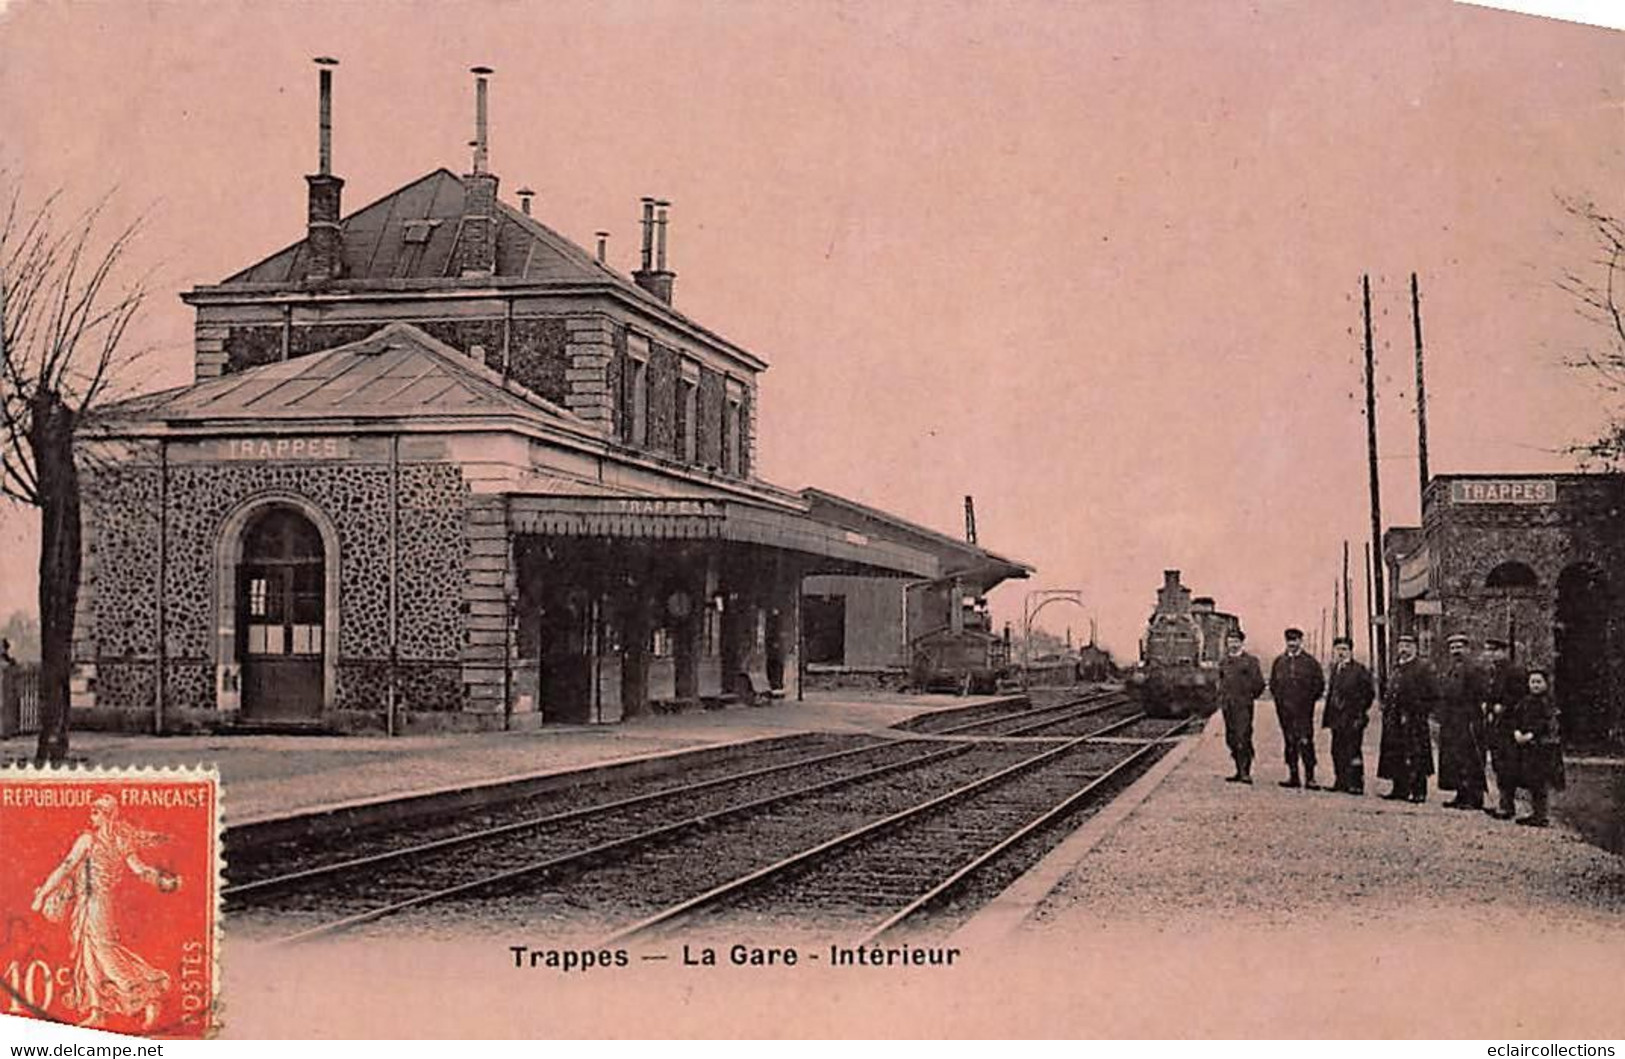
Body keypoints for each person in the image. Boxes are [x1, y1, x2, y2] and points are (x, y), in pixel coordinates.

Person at [30, 795, 180, 1029]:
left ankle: (149, 997)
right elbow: (139, 870)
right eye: (92, 811)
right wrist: (160, 881)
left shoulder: (89, 840)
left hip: (96, 903)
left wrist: (41, 895)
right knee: (88, 955)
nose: (92, 816)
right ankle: (96, 1010)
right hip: (88, 903)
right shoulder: (116, 840)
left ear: (107, 815)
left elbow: (66, 868)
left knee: (105, 954)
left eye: (96, 812)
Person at [1494, 669, 1564, 826]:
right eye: (1532, 682)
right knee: (1530, 779)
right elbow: (1516, 718)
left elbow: (1547, 724)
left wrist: (1531, 735)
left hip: (1542, 746)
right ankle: (1532, 812)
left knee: (1540, 781)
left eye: (1539, 682)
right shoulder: (1525, 702)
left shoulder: (1548, 703)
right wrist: (1517, 732)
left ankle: (1541, 815)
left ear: (1546, 684)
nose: (1535, 685)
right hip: (1527, 746)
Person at [1379, 634, 1438, 802]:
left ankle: (1419, 791)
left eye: (1408, 645)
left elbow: (1433, 694)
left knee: (1416, 754)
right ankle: (1399, 788)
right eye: (1401, 645)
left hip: (1414, 720)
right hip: (1394, 718)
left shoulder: (1423, 667)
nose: (1404, 649)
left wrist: (1419, 712)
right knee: (1396, 752)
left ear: (1415, 648)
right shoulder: (1397, 667)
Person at [1436, 632, 1488, 810]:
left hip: (1468, 719)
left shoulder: (1474, 669)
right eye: (1452, 647)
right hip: (1452, 719)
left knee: (1470, 757)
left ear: (1467, 648)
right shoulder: (1451, 669)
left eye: (1459, 647)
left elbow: (1480, 694)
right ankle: (1461, 794)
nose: (1455, 651)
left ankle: (1474, 797)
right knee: (1455, 758)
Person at [1269, 627, 1325, 789]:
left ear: (1301, 641)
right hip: (1285, 711)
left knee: (1306, 741)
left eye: (1295, 641)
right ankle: (1293, 776)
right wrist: (1280, 701)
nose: (1292, 644)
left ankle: (1310, 777)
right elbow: (1274, 685)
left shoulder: (1310, 662)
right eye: (1289, 641)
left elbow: (1319, 685)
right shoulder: (1279, 662)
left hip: (1304, 711)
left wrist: (1308, 702)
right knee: (1289, 741)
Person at [1321, 635, 1375, 794]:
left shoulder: (1359, 670)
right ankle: (1340, 781)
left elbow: (1369, 693)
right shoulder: (1335, 669)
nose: (1341, 653)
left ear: (1351, 651)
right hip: (1337, 718)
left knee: (1353, 750)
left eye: (1344, 649)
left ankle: (1356, 783)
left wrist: (1360, 712)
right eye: (1338, 649)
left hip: (1353, 718)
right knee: (1337, 750)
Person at [1482, 637, 1528, 818]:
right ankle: (1503, 802)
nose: (1490, 654)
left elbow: (1519, 696)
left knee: (1507, 765)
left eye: (1494, 651)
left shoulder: (1514, 671)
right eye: (1488, 651)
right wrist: (1487, 703)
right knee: (1497, 763)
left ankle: (1508, 806)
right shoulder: (1493, 671)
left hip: (1509, 725)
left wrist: (1504, 706)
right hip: (1496, 724)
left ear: (1503, 652)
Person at [1217, 629, 1266, 784]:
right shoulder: (1224, 662)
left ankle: (1246, 772)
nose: (1233, 644)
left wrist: (1248, 697)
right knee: (1231, 738)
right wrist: (1222, 698)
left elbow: (1259, 684)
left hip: (1243, 706)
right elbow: (1220, 681)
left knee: (1243, 736)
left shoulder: (1250, 661)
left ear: (1241, 643)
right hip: (1228, 705)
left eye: (1236, 641)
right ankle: (1238, 770)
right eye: (1230, 641)